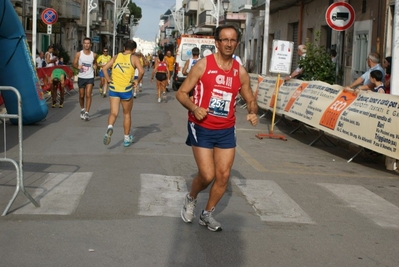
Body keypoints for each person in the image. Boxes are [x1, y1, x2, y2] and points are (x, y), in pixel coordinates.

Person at [176, 25, 258, 232]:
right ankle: (191, 198)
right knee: (207, 175)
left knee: (223, 176)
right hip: (201, 126)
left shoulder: (240, 72)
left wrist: (252, 111)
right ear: (217, 42)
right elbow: (182, 93)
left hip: (226, 129)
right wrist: (195, 108)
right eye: (225, 40)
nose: (229, 44)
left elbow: (250, 98)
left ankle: (207, 214)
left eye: (233, 40)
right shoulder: (203, 65)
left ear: (237, 43)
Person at [102, 40, 144, 147]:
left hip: (114, 88)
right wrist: (137, 81)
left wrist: (108, 80)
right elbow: (141, 71)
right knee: (127, 114)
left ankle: (110, 127)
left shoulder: (116, 57)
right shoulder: (134, 58)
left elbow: (104, 68)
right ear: (134, 50)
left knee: (113, 113)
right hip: (126, 90)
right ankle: (126, 138)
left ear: (124, 48)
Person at [72, 38, 97, 121]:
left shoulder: (93, 55)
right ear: (83, 44)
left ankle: (87, 113)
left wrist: (95, 66)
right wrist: (77, 66)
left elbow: (95, 63)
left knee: (88, 94)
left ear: (91, 45)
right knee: (81, 95)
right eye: (85, 43)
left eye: (88, 43)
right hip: (81, 77)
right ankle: (82, 109)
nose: (86, 45)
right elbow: (74, 64)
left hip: (90, 77)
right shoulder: (79, 54)